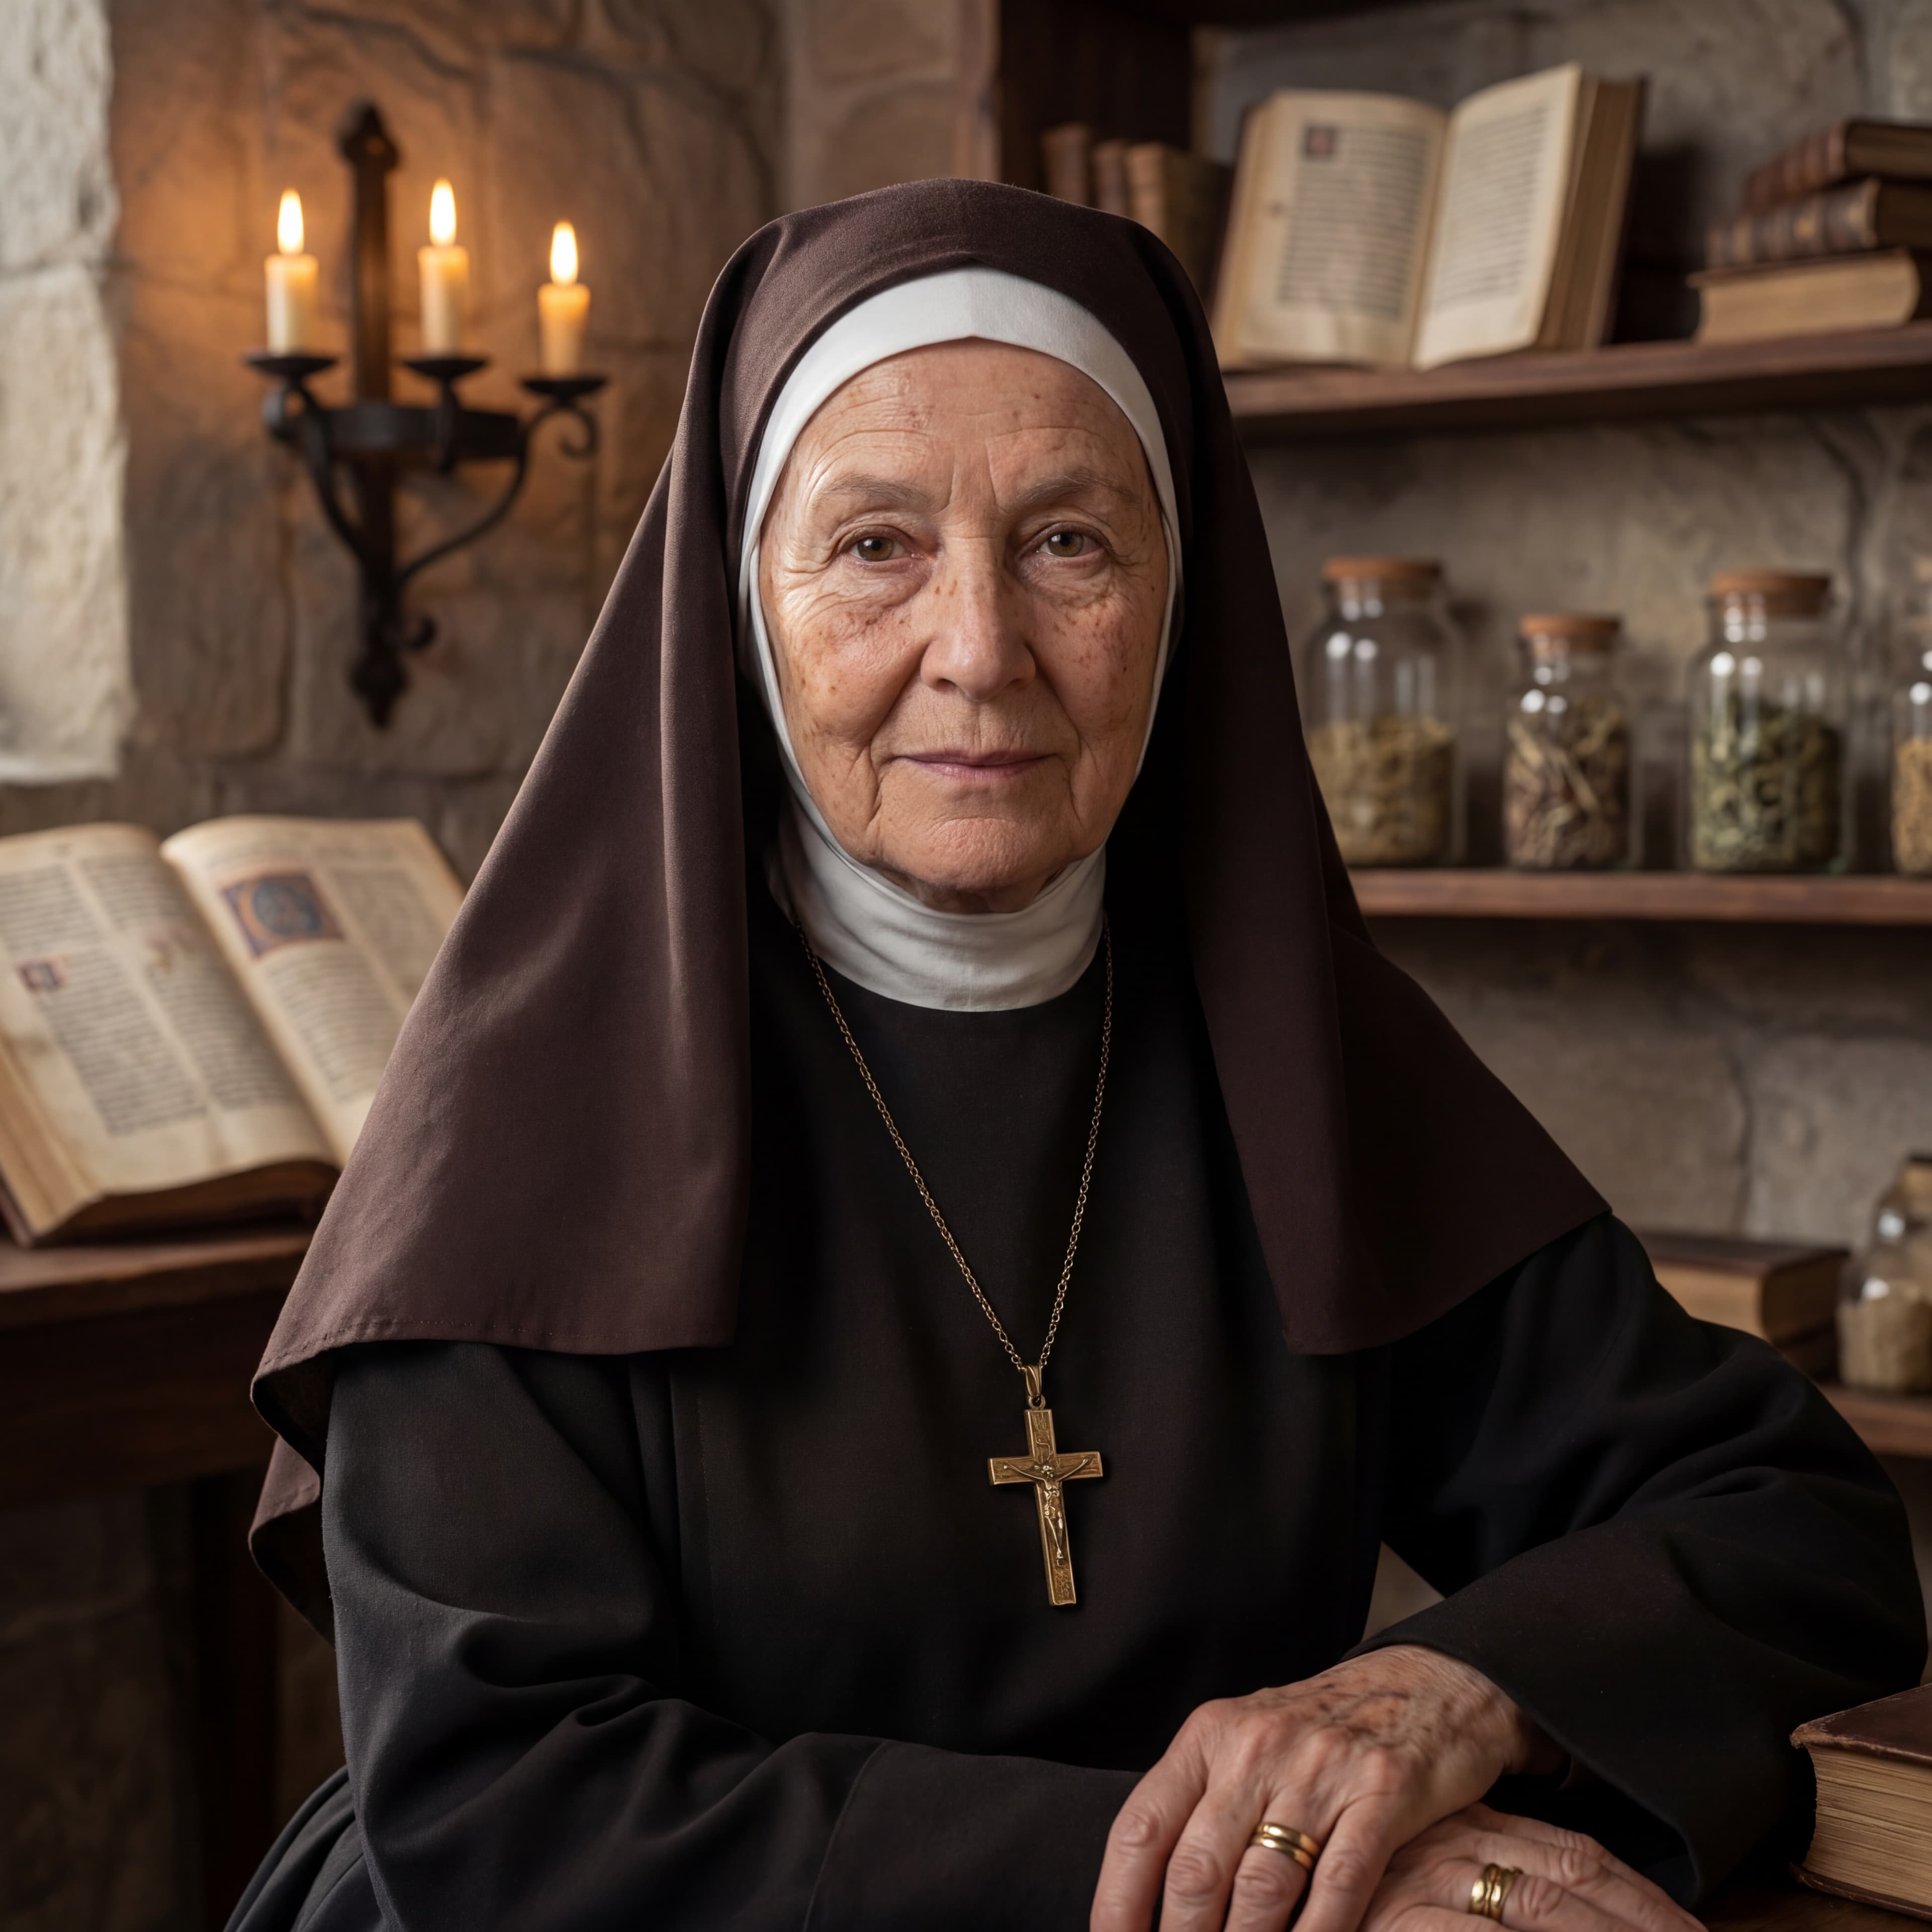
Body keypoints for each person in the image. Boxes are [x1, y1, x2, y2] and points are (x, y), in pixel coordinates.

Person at [229, 182, 1922, 1932]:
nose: (980, 651)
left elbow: (1796, 1528)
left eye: (1069, 545)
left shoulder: (1294, 1059)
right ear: (744, 608)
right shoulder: (530, 1118)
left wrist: (1438, 1697)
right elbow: (511, 1810)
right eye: (875, 546)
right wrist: (1232, 1888)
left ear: (1180, 598)